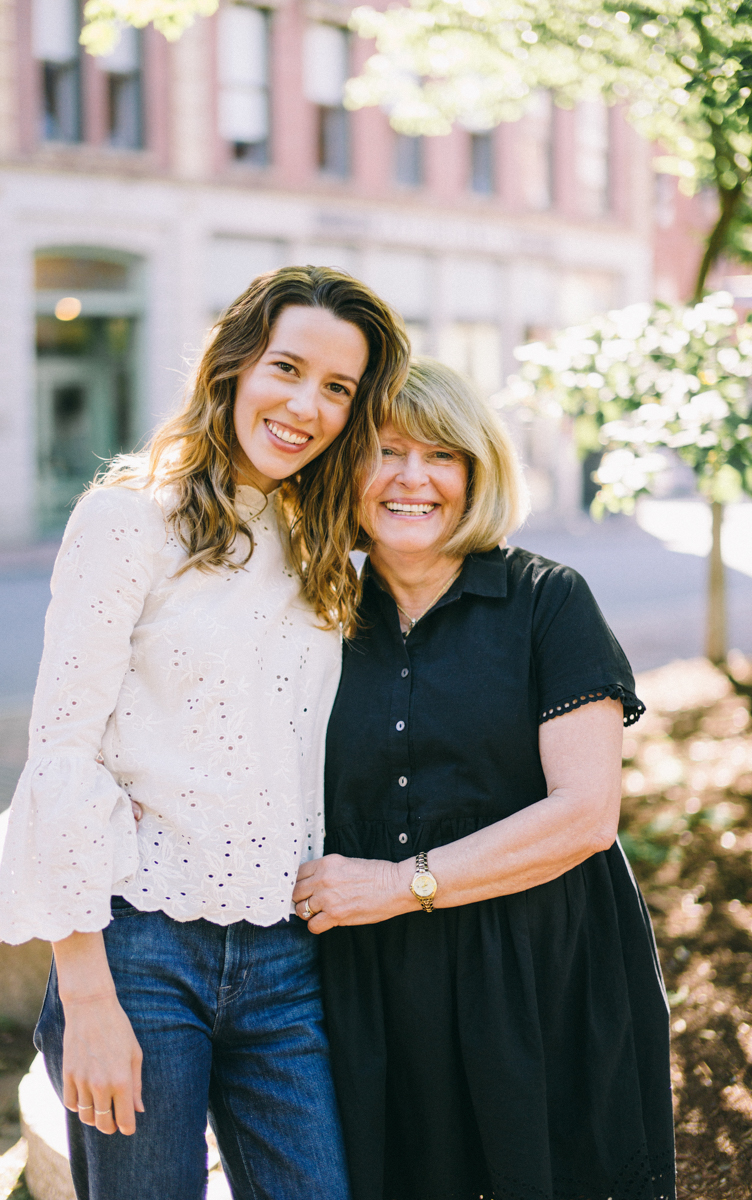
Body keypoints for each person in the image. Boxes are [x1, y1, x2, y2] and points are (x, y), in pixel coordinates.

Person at [0, 265, 410, 1200]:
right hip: (139, 951)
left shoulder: (325, 546)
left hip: (285, 954)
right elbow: (62, 751)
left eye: (338, 388)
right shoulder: (129, 519)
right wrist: (89, 1000)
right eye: (288, 368)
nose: (307, 405)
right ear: (233, 366)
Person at [294, 358, 675, 1200]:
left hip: (536, 973)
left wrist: (401, 883)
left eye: (442, 455)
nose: (411, 479)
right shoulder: (310, 617)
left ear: (477, 473)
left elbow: (585, 815)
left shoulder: (548, 602)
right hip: (373, 984)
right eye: (385, 451)